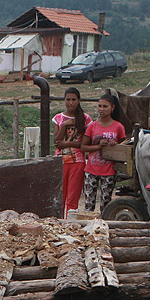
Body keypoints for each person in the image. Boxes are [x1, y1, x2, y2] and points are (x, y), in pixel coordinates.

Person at [80, 93, 126, 213]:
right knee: (88, 205)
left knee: (105, 205)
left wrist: (115, 145)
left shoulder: (118, 127)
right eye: (99, 106)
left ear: (112, 107)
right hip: (91, 169)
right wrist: (98, 146)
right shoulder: (92, 126)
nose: (101, 109)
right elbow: (83, 147)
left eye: (105, 106)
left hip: (109, 170)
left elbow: (124, 146)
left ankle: (103, 229)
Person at [52, 87, 93, 218]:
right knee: (60, 195)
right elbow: (56, 141)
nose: (71, 103)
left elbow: (85, 144)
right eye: (68, 99)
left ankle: (71, 224)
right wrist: (64, 126)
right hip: (60, 161)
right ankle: (59, 223)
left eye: (73, 99)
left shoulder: (86, 119)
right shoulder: (58, 118)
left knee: (73, 196)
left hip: (78, 161)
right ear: (64, 100)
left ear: (79, 100)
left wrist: (68, 144)